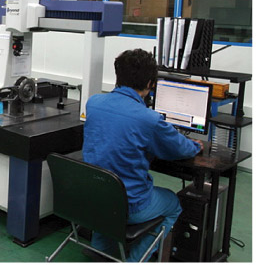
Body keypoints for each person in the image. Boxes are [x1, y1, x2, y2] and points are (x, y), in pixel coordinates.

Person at [83, 48, 203, 262]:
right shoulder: (149, 119)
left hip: (93, 197)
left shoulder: (93, 103)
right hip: (130, 205)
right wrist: (196, 146)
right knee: (173, 204)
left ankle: (100, 252)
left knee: (106, 186)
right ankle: (135, 260)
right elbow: (180, 149)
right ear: (150, 83)